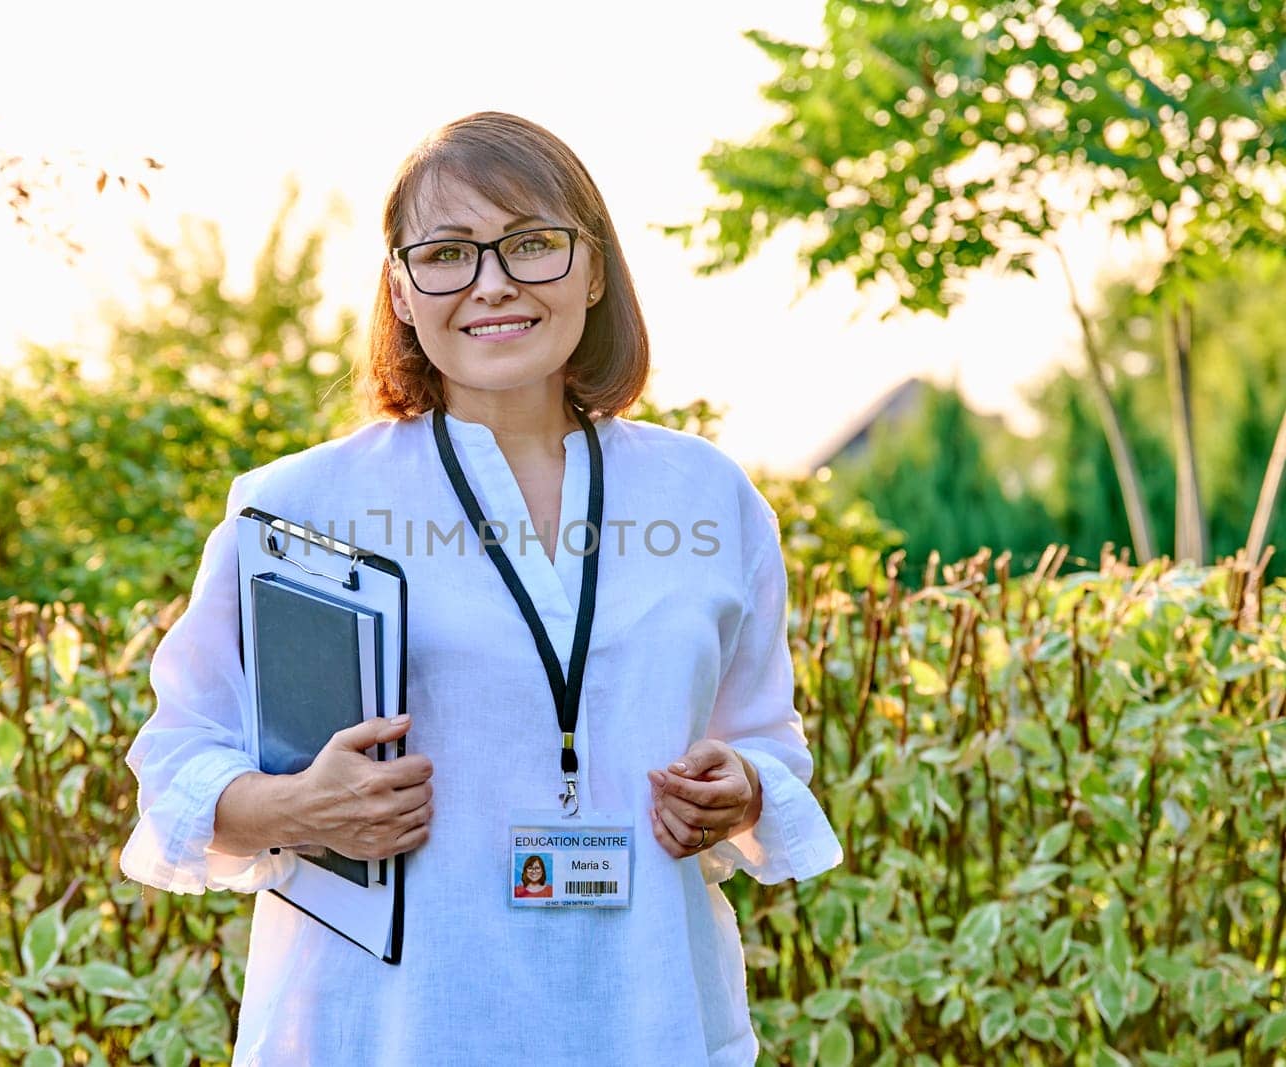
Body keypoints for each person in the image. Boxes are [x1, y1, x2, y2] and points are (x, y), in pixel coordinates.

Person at [120, 111, 843, 1065]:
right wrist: (297, 807)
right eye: (448, 253)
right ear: (402, 290)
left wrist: (743, 790)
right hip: (388, 1025)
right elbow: (178, 761)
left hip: (645, 1011)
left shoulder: (707, 495)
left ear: (594, 270)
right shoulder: (297, 504)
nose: (492, 283)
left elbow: (766, 745)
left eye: (532, 245)